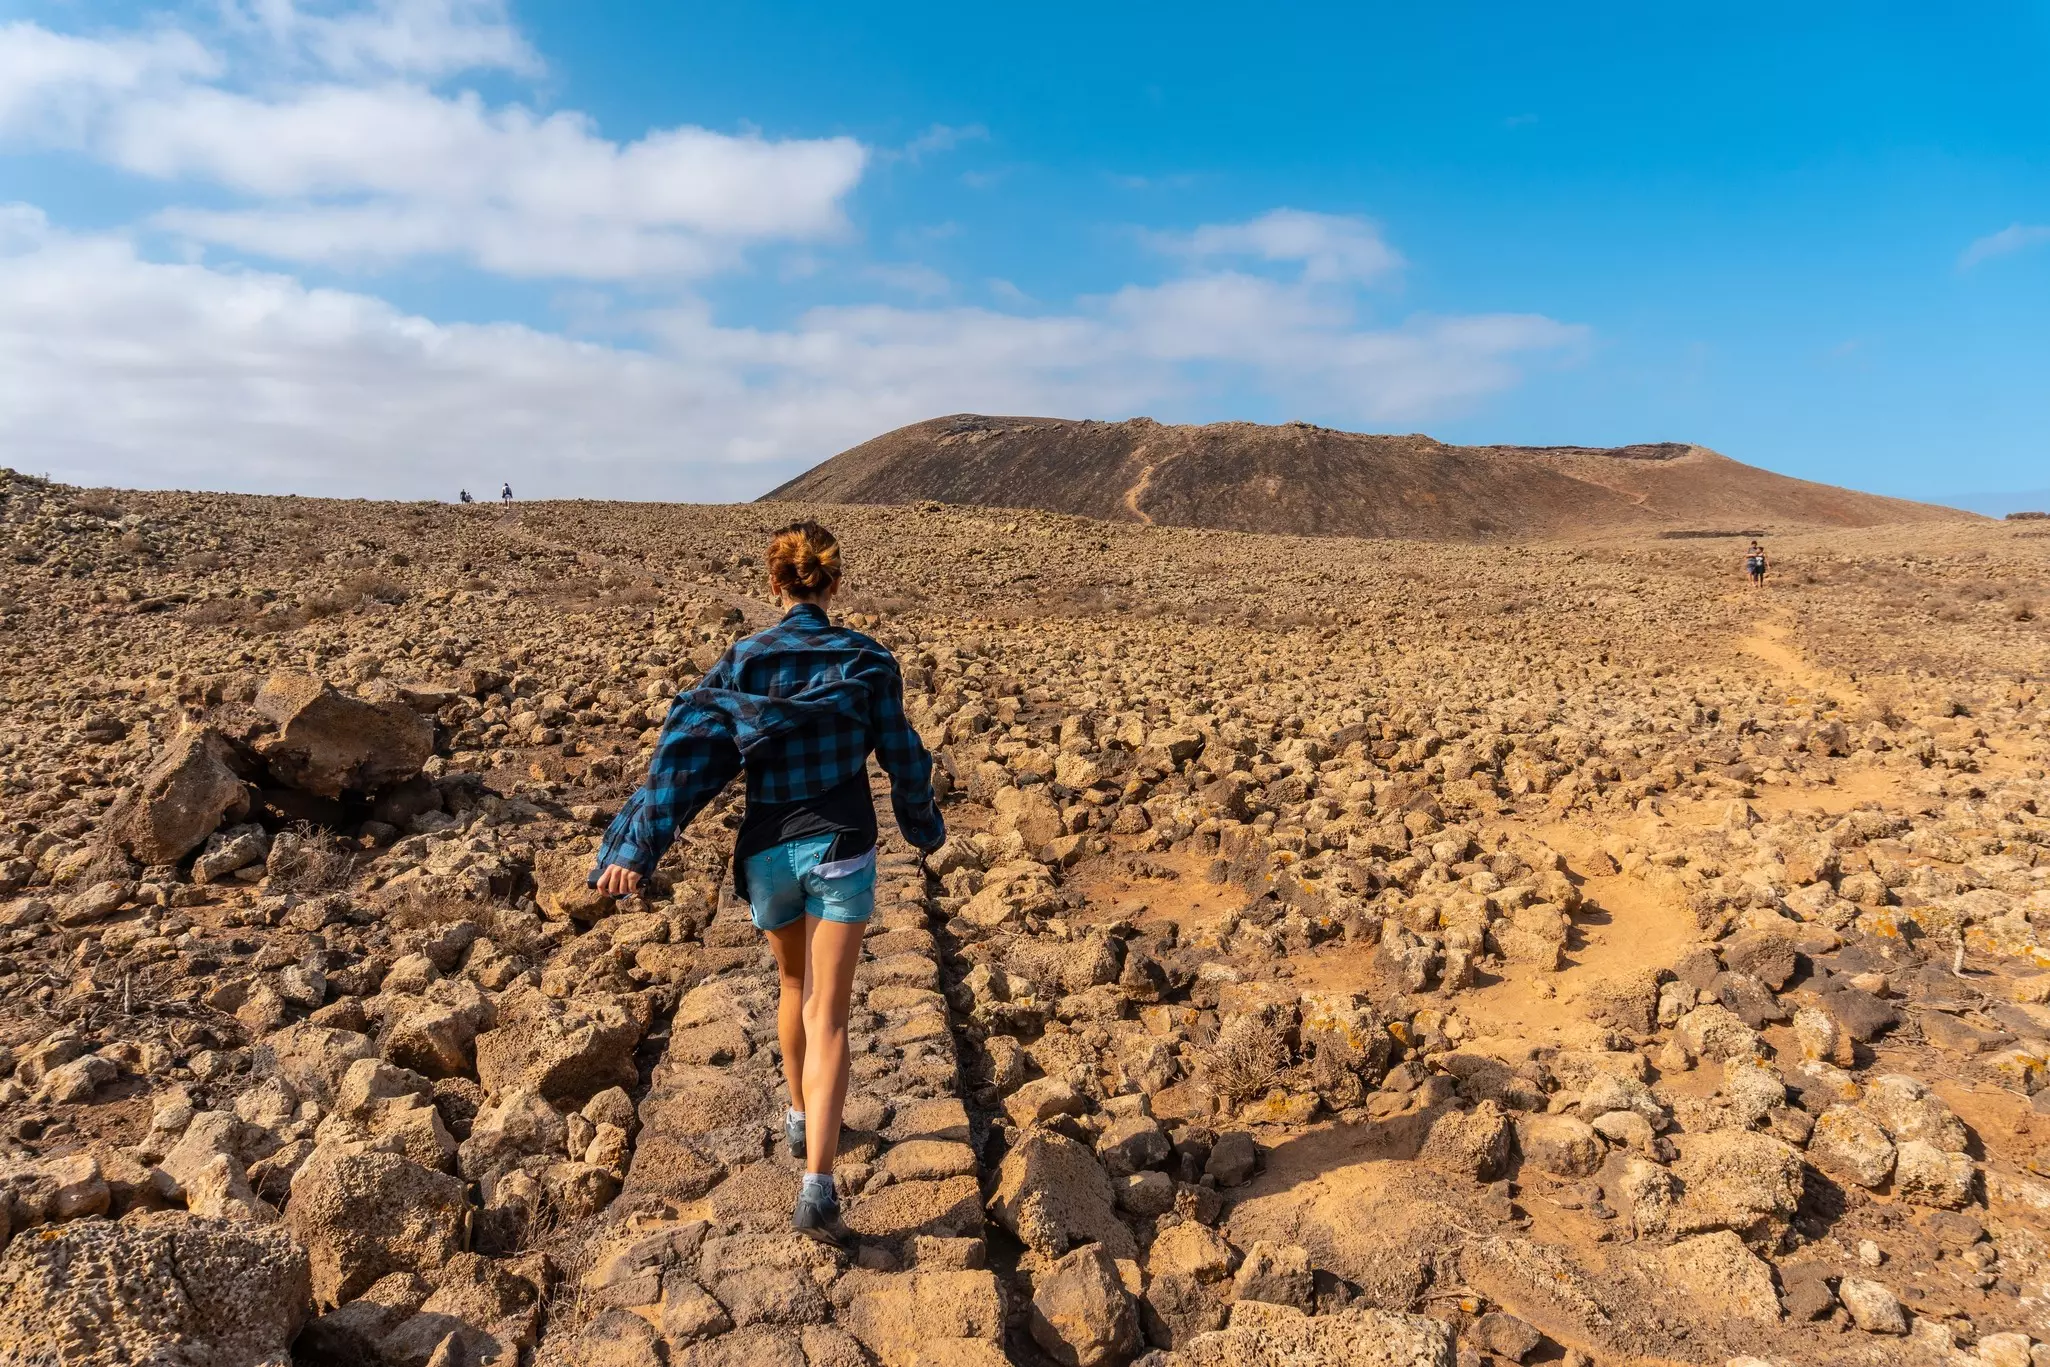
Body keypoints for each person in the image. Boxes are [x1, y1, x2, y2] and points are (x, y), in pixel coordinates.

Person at [589, 521, 945, 1249]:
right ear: (833, 583)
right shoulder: (867, 659)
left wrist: (636, 846)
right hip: (842, 845)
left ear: (774, 584)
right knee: (831, 1014)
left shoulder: (744, 660)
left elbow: (688, 754)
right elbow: (904, 754)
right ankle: (818, 1183)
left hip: (768, 853)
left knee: (793, 989)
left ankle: (797, 1113)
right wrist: (923, 825)